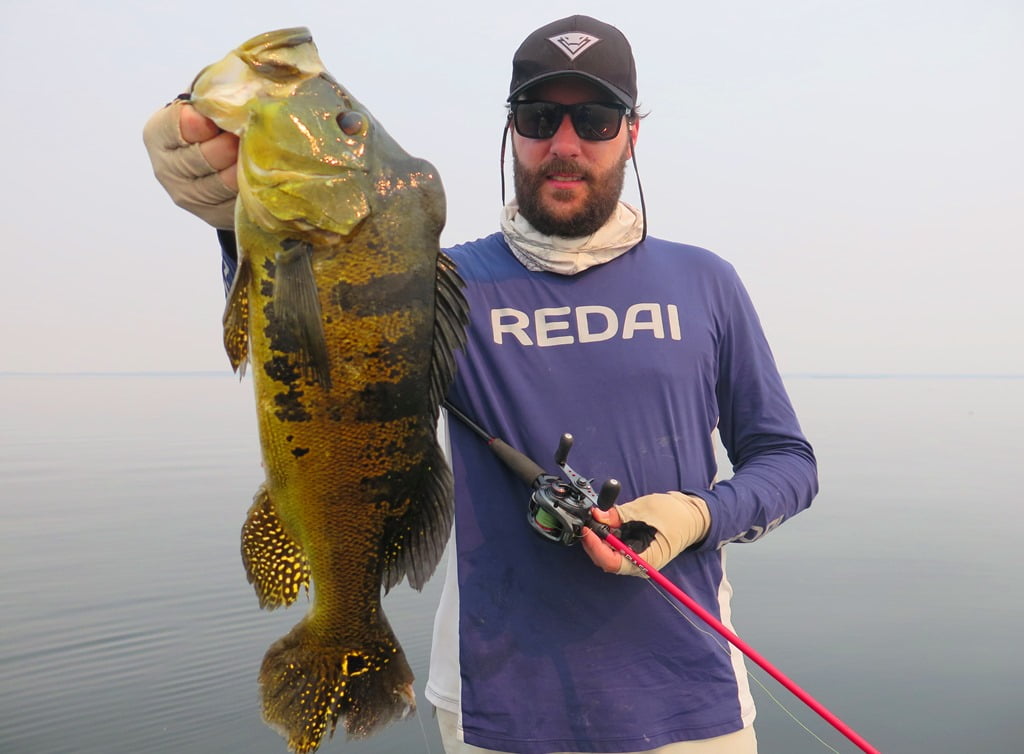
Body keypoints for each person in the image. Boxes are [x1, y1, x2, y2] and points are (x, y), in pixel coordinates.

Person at [144, 15, 817, 754]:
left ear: (631, 133)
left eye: (595, 119)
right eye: (539, 117)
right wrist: (233, 218)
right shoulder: (440, 279)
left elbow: (788, 463)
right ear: (511, 128)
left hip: (694, 711)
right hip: (493, 714)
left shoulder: (706, 282)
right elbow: (314, 348)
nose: (565, 143)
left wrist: (695, 515)